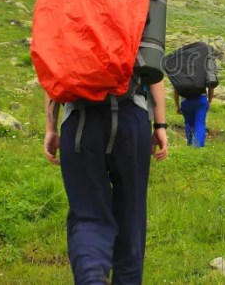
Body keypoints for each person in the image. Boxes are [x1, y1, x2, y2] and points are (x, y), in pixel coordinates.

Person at [43, 80, 168, 284]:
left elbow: (53, 69)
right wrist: (160, 125)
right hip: (131, 117)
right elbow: (154, 69)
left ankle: (92, 279)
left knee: (87, 216)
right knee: (131, 214)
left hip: (79, 121)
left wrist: (51, 127)